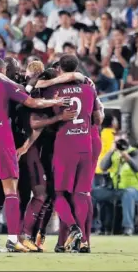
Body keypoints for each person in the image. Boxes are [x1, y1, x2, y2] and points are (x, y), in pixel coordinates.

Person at [0, 56, 68, 252]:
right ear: (1, 71)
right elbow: (32, 103)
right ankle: (13, 239)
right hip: (2, 141)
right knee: (10, 191)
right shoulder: (4, 86)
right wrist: (54, 101)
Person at [40, 55, 102, 252]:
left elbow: (36, 88)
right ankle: (84, 241)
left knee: (59, 193)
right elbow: (98, 116)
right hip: (86, 143)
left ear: (60, 70)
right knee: (82, 194)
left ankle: (74, 231)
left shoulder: (54, 89)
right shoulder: (89, 88)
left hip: (65, 144)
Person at [93, 133, 138, 236]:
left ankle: (128, 228)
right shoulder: (114, 154)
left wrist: (127, 157)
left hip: (134, 191)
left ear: (128, 141)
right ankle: (97, 227)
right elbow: (103, 167)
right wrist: (111, 151)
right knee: (93, 193)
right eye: (117, 141)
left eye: (122, 141)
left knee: (128, 193)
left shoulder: (136, 153)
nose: (120, 144)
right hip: (115, 190)